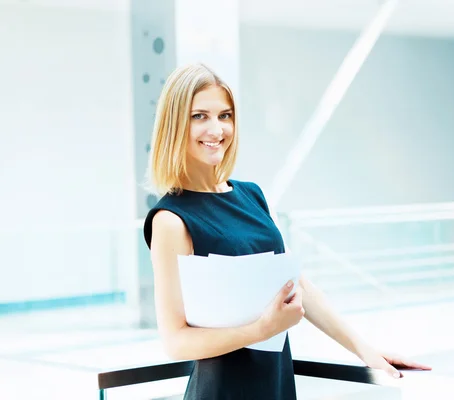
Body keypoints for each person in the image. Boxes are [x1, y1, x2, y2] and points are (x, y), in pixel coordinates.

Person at [143, 63, 431, 400]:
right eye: (199, 116)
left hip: (276, 386)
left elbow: (297, 286)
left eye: (225, 115)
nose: (216, 129)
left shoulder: (252, 195)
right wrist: (262, 329)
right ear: (175, 124)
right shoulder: (171, 219)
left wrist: (365, 351)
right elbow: (175, 341)